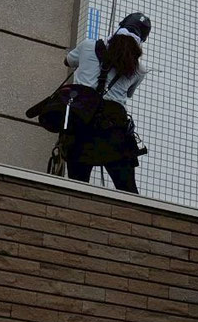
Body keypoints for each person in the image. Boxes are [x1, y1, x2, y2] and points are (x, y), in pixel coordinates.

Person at [55, 13, 151, 193]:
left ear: (119, 27)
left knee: (77, 189)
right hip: (114, 132)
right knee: (128, 192)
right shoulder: (139, 69)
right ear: (142, 41)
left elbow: (67, 61)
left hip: (80, 126)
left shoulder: (88, 46)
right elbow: (129, 93)